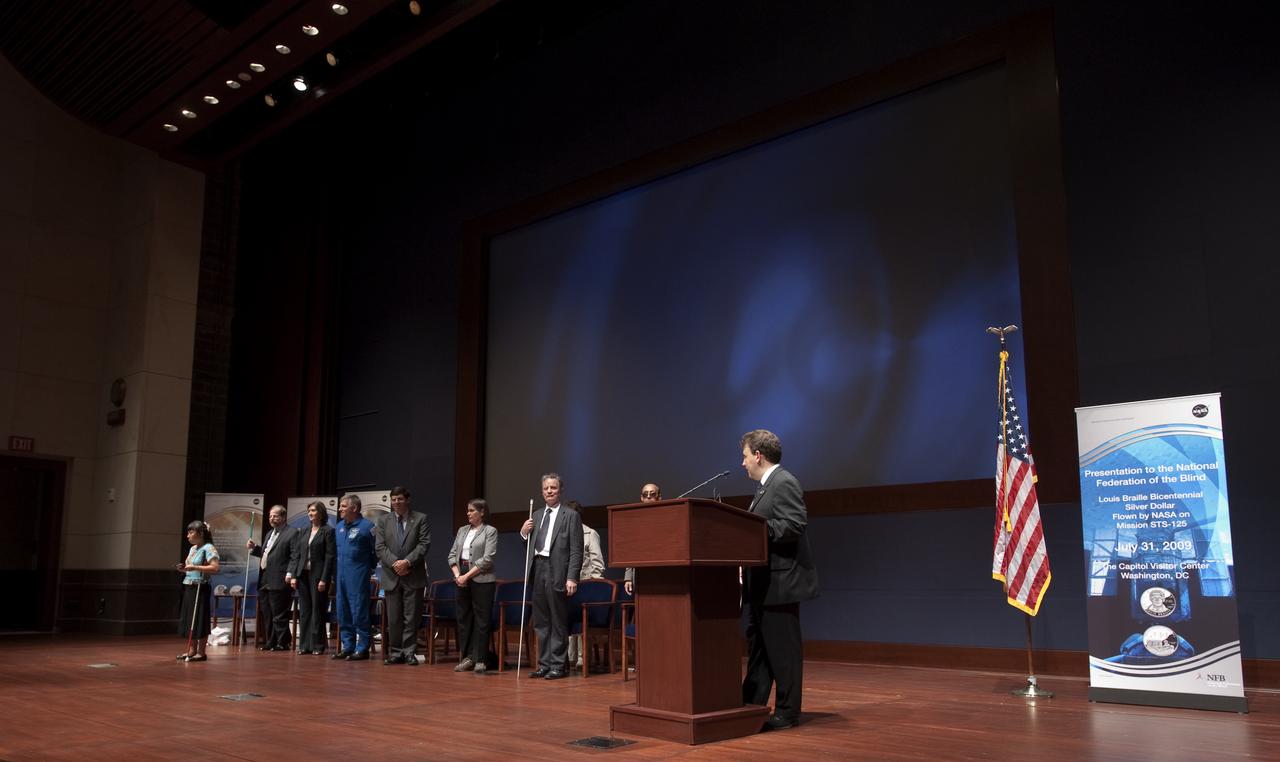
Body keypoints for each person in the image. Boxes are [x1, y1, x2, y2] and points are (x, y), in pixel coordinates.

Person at [739, 429, 819, 731]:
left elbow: (794, 524)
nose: (743, 462)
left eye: (745, 456)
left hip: (781, 584)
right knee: (760, 648)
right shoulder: (764, 487)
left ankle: (787, 713)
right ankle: (749, 705)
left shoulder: (783, 482)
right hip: (763, 584)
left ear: (758, 455)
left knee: (784, 653)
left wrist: (754, 530)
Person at [520, 473, 583, 680]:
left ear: (560, 490)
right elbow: (529, 547)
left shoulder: (570, 515)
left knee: (557, 619)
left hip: (558, 571)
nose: (549, 491)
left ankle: (558, 665)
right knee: (541, 620)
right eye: (546, 488)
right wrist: (523, 533)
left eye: (553, 488)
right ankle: (544, 664)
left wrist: (572, 577)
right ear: (542, 490)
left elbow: (576, 550)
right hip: (538, 569)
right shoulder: (536, 515)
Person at [375, 486, 431, 665]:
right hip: (392, 575)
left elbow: (424, 544)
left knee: (411, 617)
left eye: (399, 499)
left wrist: (406, 562)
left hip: (413, 573)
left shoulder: (421, 518)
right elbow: (380, 547)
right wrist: (395, 563)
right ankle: (396, 652)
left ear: (408, 500)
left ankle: (409, 652)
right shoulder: (383, 520)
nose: (396, 502)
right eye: (393, 500)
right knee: (394, 617)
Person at [447, 498, 498, 673]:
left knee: (482, 621)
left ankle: (481, 659)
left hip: (482, 580)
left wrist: (466, 576)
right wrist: (458, 576)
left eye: (471, 510)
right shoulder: (462, 531)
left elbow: (487, 558)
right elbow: (452, 555)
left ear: (482, 512)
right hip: (461, 579)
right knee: (464, 620)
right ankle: (467, 657)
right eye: (467, 510)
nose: (468, 513)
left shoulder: (490, 531)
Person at [247, 505, 300, 651]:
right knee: (267, 613)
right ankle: (271, 641)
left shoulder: (292, 532)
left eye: (275, 516)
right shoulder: (269, 533)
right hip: (265, 578)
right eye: (270, 516)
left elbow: (295, 555)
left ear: (283, 517)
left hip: (280, 578)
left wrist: (291, 573)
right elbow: (268, 554)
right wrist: (255, 548)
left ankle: (283, 642)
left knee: (279, 613)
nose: (272, 518)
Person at [333, 493, 378, 661]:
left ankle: (362, 648)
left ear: (354, 508)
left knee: (358, 610)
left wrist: (368, 568)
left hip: (358, 575)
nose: (340, 509)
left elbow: (377, 551)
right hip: (341, 576)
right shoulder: (338, 527)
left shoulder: (368, 527)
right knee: (342, 611)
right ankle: (348, 646)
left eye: (343, 506)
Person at [291, 500, 336, 655]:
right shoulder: (303, 530)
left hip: (318, 576)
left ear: (321, 513)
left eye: (313, 510)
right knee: (304, 610)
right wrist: (294, 575)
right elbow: (297, 554)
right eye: (309, 510)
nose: (310, 513)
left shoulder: (328, 531)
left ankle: (317, 645)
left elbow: (330, 557)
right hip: (303, 575)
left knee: (317, 610)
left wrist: (325, 578)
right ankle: (304, 645)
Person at [566, 500, 604, 671]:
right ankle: (569, 656)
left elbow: (597, 562)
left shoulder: (590, 533)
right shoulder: (564, 533)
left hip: (586, 583)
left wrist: (595, 585)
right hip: (567, 583)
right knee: (567, 620)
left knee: (582, 621)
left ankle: (582, 657)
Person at [176, 520, 220, 662]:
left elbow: (215, 568)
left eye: (191, 532)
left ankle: (201, 652)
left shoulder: (209, 548)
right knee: (190, 618)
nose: (188, 535)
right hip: (189, 585)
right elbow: (189, 565)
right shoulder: (193, 549)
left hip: (201, 587)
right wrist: (183, 568)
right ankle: (191, 649)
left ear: (200, 533)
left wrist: (196, 568)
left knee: (199, 618)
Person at [623, 483, 661, 595]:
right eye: (645, 494)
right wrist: (628, 578)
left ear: (659, 497)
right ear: (641, 498)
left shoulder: (667, 518)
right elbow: (631, 550)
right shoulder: (635, 521)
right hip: (640, 573)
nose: (648, 497)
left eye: (652, 494)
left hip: (662, 571)